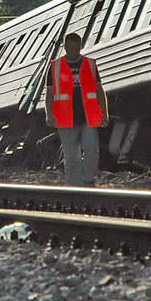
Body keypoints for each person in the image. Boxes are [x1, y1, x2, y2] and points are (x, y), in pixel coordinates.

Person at [45, 32, 109, 186]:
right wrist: (49, 115)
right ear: (65, 47)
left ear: (81, 46)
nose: (74, 52)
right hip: (65, 118)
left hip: (88, 116)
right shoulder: (55, 67)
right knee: (71, 155)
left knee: (91, 147)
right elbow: (50, 94)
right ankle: (74, 187)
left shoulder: (90, 64)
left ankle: (89, 180)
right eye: (71, 49)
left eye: (77, 48)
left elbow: (99, 90)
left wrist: (105, 114)